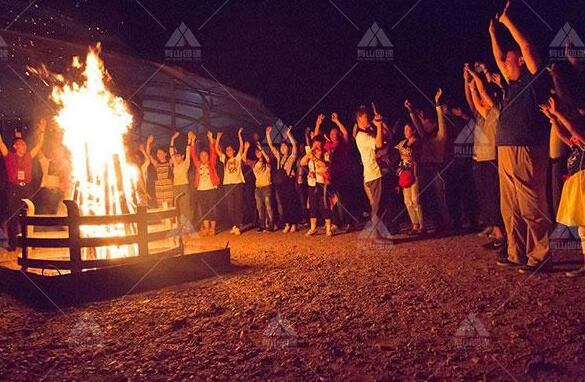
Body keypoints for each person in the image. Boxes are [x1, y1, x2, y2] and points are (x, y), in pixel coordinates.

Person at [490, 1, 552, 273]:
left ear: (521, 62)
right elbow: (498, 60)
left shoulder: (533, 79)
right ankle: (517, 253)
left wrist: (506, 22)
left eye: (508, 60)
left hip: (526, 149)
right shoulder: (512, 85)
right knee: (510, 209)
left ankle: (542, 255)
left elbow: (526, 48)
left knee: (531, 205)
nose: (503, 64)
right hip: (505, 150)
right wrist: (493, 35)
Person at [463, 64, 506, 253]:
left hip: (492, 159)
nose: (481, 100)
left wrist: (475, 76)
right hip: (480, 159)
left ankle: (502, 235)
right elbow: (473, 100)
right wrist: (469, 83)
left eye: (485, 96)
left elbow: (482, 92)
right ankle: (497, 233)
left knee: (494, 197)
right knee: (486, 198)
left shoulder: (497, 110)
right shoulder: (483, 115)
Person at [541, 97, 585, 277]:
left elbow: (572, 130)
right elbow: (563, 135)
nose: (572, 137)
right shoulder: (575, 147)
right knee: (582, 229)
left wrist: (558, 113)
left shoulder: (583, 145)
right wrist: (552, 119)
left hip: (583, 188)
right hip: (576, 188)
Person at [404, 91, 450, 232]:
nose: (424, 125)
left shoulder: (440, 137)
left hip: (437, 170)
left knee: (440, 199)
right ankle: (438, 224)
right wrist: (411, 111)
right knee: (431, 199)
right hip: (426, 171)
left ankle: (446, 223)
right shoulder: (425, 138)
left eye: (427, 122)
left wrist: (437, 104)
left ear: (433, 124)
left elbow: (441, 122)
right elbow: (418, 125)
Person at [0, 119, 46, 251]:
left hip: (26, 188)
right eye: (21, 144)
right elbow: (1, 143)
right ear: (15, 146)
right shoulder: (8, 156)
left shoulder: (28, 156)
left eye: (25, 144)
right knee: (13, 217)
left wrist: (42, 131)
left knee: (29, 214)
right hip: (13, 189)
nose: (24, 146)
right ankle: (13, 245)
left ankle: (29, 243)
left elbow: (38, 146)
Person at [354, 106, 385, 236]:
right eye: (367, 118)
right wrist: (379, 126)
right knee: (377, 206)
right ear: (360, 119)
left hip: (371, 174)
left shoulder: (364, 134)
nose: (369, 120)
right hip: (373, 174)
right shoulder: (362, 136)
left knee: (378, 205)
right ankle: (376, 235)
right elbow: (379, 144)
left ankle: (377, 233)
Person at [266, 124, 300, 233]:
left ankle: (294, 223)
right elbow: (271, 146)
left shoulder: (291, 157)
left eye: (285, 146)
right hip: (280, 183)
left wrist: (288, 134)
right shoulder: (279, 157)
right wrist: (268, 134)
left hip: (289, 181)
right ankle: (287, 223)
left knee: (291, 202)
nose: (282, 148)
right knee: (283, 203)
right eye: (281, 147)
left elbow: (294, 145)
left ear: (288, 148)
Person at [300, 135, 333, 236]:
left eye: (319, 142)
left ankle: (328, 228)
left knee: (324, 204)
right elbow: (302, 162)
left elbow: (325, 166)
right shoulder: (311, 154)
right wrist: (310, 154)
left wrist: (314, 159)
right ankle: (313, 227)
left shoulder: (326, 153)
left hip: (322, 182)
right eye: (315, 142)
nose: (317, 144)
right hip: (311, 182)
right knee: (313, 204)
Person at [216, 127, 246, 235]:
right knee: (230, 206)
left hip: (237, 184)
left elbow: (241, 146)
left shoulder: (237, 158)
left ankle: (238, 226)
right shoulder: (224, 159)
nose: (228, 151)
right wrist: (218, 138)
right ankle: (234, 225)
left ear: (233, 150)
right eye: (227, 150)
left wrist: (239, 135)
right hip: (227, 185)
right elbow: (217, 150)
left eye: (230, 150)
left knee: (238, 205)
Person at [395, 123, 424, 235]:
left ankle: (422, 225)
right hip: (405, 174)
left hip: (415, 173)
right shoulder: (402, 143)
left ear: (414, 131)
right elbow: (396, 154)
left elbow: (417, 157)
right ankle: (414, 224)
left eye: (408, 129)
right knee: (407, 201)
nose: (405, 131)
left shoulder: (417, 142)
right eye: (404, 129)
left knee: (416, 200)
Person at [190, 131, 220, 236]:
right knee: (204, 209)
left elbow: (213, 152)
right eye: (202, 155)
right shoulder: (198, 164)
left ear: (208, 156)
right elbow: (193, 154)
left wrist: (211, 139)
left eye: (205, 155)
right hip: (201, 190)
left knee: (212, 209)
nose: (203, 157)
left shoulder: (211, 163)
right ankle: (206, 228)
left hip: (211, 189)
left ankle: (213, 229)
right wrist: (192, 141)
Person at [246, 141, 275, 232]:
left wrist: (262, 150)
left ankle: (270, 225)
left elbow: (268, 159)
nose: (258, 153)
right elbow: (244, 159)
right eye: (256, 152)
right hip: (258, 188)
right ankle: (262, 225)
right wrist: (246, 148)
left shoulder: (267, 162)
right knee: (259, 207)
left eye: (259, 152)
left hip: (267, 186)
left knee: (268, 207)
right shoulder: (254, 163)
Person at [145, 135, 174, 208]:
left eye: (161, 153)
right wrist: (148, 143)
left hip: (168, 188)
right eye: (158, 153)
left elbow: (173, 153)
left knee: (169, 208)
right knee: (161, 208)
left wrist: (173, 139)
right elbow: (148, 155)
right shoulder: (156, 164)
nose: (159, 155)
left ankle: (173, 219)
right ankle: (164, 220)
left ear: (165, 154)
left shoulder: (169, 162)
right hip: (159, 189)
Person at [169, 131, 192, 222]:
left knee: (185, 206)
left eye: (178, 156)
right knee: (178, 207)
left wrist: (189, 139)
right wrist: (172, 139)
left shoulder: (186, 163)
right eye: (175, 156)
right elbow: (171, 151)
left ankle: (188, 226)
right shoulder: (175, 164)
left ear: (182, 156)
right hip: (176, 187)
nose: (176, 158)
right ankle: (181, 225)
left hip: (184, 186)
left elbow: (188, 151)